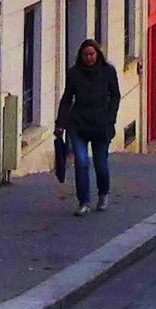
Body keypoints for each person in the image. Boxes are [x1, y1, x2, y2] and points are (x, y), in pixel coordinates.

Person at [55, 39, 122, 216]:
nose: (89, 58)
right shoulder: (74, 73)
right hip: (79, 123)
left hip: (101, 124)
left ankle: (103, 194)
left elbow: (115, 95)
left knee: (101, 164)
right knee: (81, 162)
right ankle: (83, 202)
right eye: (85, 55)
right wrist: (61, 124)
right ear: (81, 56)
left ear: (97, 54)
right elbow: (67, 99)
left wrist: (111, 117)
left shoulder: (108, 71)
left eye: (91, 54)